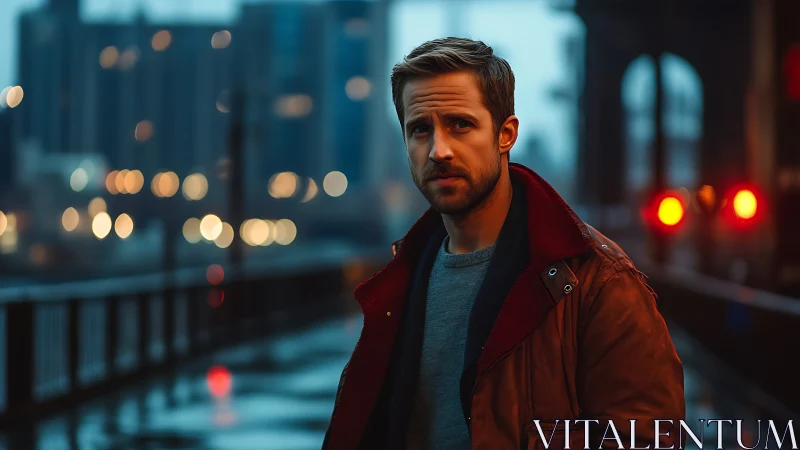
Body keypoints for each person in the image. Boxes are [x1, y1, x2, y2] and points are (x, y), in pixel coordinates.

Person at [322, 37, 685, 450]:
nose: (439, 150)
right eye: (421, 129)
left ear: (505, 134)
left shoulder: (597, 282)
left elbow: (644, 438)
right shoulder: (398, 283)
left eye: (461, 124)